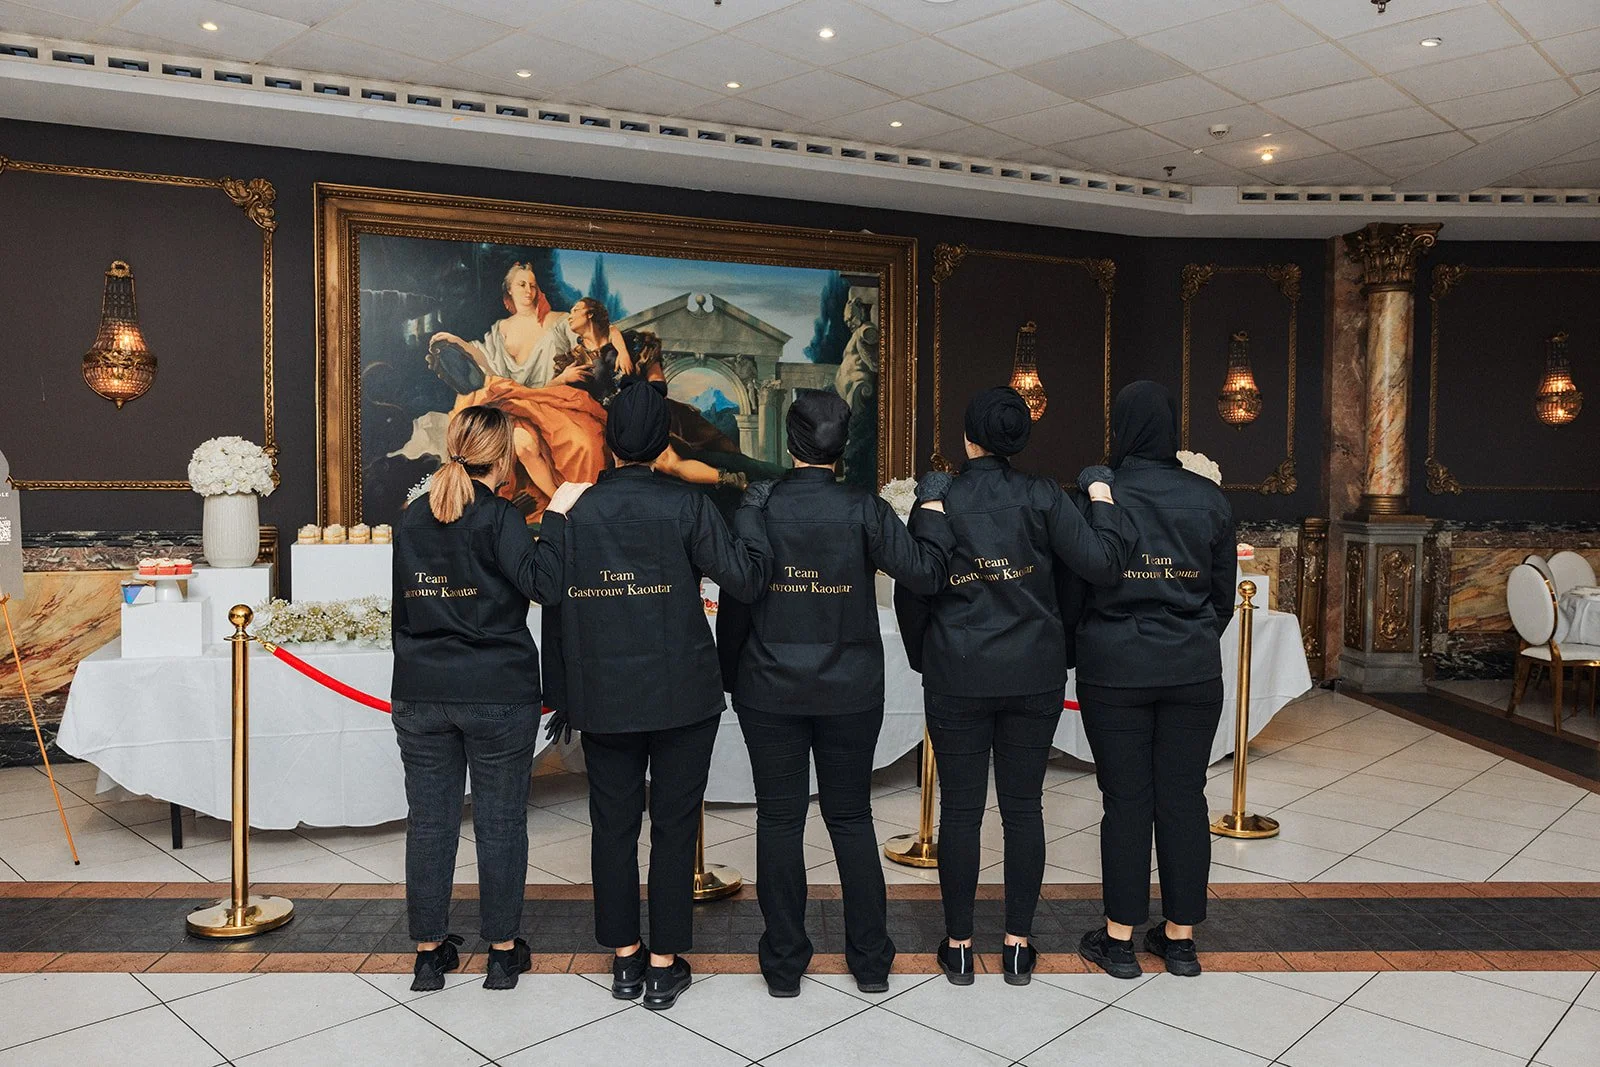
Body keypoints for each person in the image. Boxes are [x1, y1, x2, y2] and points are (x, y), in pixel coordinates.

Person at [536, 378, 771, 1011]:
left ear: (608, 440)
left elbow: (549, 599)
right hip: (682, 694)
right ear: (663, 440)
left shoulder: (573, 510)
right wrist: (747, 511)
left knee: (611, 826)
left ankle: (623, 960)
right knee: (673, 828)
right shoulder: (687, 505)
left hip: (604, 693)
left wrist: (562, 695)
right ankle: (664, 965)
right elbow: (745, 581)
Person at [717, 389, 956, 997]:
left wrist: (728, 676)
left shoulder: (760, 506)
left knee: (779, 819)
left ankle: (784, 966)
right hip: (850, 688)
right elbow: (927, 572)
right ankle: (871, 961)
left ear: (789, 443)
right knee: (850, 818)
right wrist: (929, 504)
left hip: (769, 686)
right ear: (840, 447)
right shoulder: (864, 508)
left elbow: (738, 604)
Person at [895, 386, 1134, 987]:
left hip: (958, 671)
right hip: (1033, 671)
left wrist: (926, 657)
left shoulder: (940, 500)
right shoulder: (1044, 496)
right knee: (1024, 809)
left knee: (961, 812)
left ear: (967, 438)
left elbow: (913, 588)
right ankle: (1019, 947)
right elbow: (1101, 565)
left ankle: (957, 947)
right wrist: (1102, 496)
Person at [389, 405, 565, 992]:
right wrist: (559, 520)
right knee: (500, 821)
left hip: (421, 692)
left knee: (430, 823)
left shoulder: (413, 518)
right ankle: (501, 953)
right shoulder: (500, 518)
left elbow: (402, 615)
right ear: (505, 456)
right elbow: (546, 586)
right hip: (497, 690)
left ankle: (428, 954)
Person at [1069, 380, 1235, 980]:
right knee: (1185, 798)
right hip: (1192, 668)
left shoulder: (1100, 494)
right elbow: (1222, 600)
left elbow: (1077, 588)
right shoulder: (1209, 497)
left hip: (1115, 667)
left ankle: (1118, 942)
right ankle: (1181, 941)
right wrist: (1185, 639)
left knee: (1126, 800)